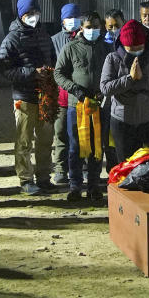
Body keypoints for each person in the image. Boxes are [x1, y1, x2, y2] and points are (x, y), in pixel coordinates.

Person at [0, 0, 57, 196]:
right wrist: (32, 73)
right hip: (24, 97)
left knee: (46, 139)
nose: (33, 16)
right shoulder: (11, 39)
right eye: (29, 13)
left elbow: (54, 59)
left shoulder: (44, 35)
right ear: (21, 14)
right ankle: (25, 180)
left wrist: (49, 73)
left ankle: (44, 177)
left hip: (45, 96)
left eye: (36, 12)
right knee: (24, 141)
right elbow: (5, 70)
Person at [54, 11, 112, 202]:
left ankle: (94, 185)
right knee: (76, 147)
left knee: (97, 146)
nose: (93, 30)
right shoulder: (70, 48)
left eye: (96, 27)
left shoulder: (107, 48)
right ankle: (75, 186)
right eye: (89, 27)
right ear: (81, 28)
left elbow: (113, 72)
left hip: (99, 105)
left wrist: (103, 91)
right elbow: (59, 74)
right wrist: (75, 90)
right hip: (76, 106)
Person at [100, 20, 149, 162]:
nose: (136, 52)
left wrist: (145, 80)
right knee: (126, 165)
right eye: (130, 48)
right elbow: (105, 88)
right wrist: (130, 79)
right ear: (122, 44)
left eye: (139, 47)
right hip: (122, 121)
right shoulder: (112, 59)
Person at [51, 3, 82, 186]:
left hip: (81, 96)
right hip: (62, 96)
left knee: (82, 134)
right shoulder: (54, 40)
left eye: (76, 17)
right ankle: (61, 169)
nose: (73, 21)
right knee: (61, 132)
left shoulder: (85, 38)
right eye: (69, 18)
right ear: (62, 20)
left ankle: (82, 168)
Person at [102, 9, 126, 171]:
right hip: (107, 99)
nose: (113, 29)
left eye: (117, 25)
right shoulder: (102, 45)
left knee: (123, 140)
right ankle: (112, 170)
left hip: (124, 98)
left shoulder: (129, 42)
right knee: (107, 138)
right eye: (110, 26)